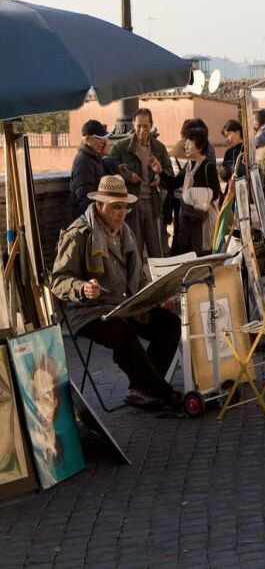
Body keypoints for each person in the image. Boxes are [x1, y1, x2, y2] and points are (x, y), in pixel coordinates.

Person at [50, 175, 182, 411]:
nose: (121, 213)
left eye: (124, 207)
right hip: (90, 311)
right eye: (115, 207)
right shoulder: (78, 234)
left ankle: (140, 389)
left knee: (170, 324)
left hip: (126, 304)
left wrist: (157, 299)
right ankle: (163, 392)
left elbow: (139, 276)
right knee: (123, 332)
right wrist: (82, 288)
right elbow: (58, 281)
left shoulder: (125, 231)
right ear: (100, 205)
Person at [109, 108, 176, 258]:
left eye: (146, 126)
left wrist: (160, 176)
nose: (142, 130)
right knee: (133, 248)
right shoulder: (121, 147)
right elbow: (110, 171)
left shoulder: (159, 147)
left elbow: (169, 170)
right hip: (132, 203)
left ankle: (159, 280)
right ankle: (136, 280)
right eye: (139, 126)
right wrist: (128, 176)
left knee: (157, 247)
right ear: (133, 125)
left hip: (154, 203)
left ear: (151, 125)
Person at [173, 126, 221, 256]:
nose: (186, 147)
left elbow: (216, 193)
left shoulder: (208, 166)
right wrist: (159, 171)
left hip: (204, 222)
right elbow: (173, 183)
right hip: (189, 220)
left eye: (189, 143)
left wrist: (200, 202)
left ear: (199, 147)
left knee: (204, 254)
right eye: (186, 143)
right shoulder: (189, 166)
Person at [69, 120, 112, 219]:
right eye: (98, 138)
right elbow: (85, 198)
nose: (102, 142)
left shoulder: (93, 158)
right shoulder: (83, 162)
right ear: (88, 139)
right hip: (88, 218)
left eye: (103, 139)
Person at [218, 119, 246, 193]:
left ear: (238, 132)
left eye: (228, 134)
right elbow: (225, 177)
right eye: (225, 137)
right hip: (231, 191)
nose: (227, 139)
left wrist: (231, 169)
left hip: (245, 190)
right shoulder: (228, 152)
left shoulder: (248, 149)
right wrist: (223, 173)